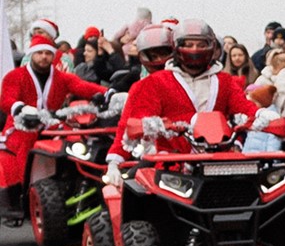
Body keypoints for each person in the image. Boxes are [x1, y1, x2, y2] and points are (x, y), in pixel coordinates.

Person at [104, 21, 266, 170]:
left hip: (220, 161)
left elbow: (245, 108)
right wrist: (114, 161)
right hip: (172, 164)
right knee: (136, 186)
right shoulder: (154, 82)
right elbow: (132, 123)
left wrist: (264, 116)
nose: (195, 50)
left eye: (201, 45)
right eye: (188, 45)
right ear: (177, 47)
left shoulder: (225, 81)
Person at [3, 36, 111, 196]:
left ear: (53, 55)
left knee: (76, 140)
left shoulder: (61, 77)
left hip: (52, 125)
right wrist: (20, 108)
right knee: (24, 144)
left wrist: (108, 93)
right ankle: (23, 190)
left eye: (48, 53)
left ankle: (79, 182)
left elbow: (82, 86)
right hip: (21, 125)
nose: (44, 57)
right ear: (32, 54)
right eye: (39, 53)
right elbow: (6, 99)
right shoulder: (15, 76)